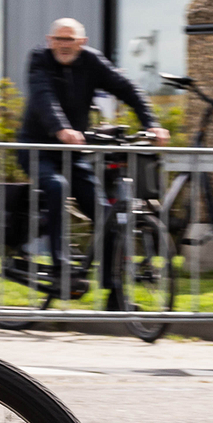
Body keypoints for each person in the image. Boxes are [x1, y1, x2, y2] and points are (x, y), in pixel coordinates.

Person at [20, 18, 170, 302]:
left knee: (106, 214)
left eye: (70, 40)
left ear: (82, 42)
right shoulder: (39, 60)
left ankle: (114, 294)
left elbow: (127, 88)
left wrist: (151, 123)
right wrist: (61, 128)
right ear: (50, 40)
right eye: (58, 39)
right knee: (56, 186)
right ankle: (60, 266)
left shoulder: (91, 61)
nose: (63, 45)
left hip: (72, 151)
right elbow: (43, 97)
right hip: (37, 147)